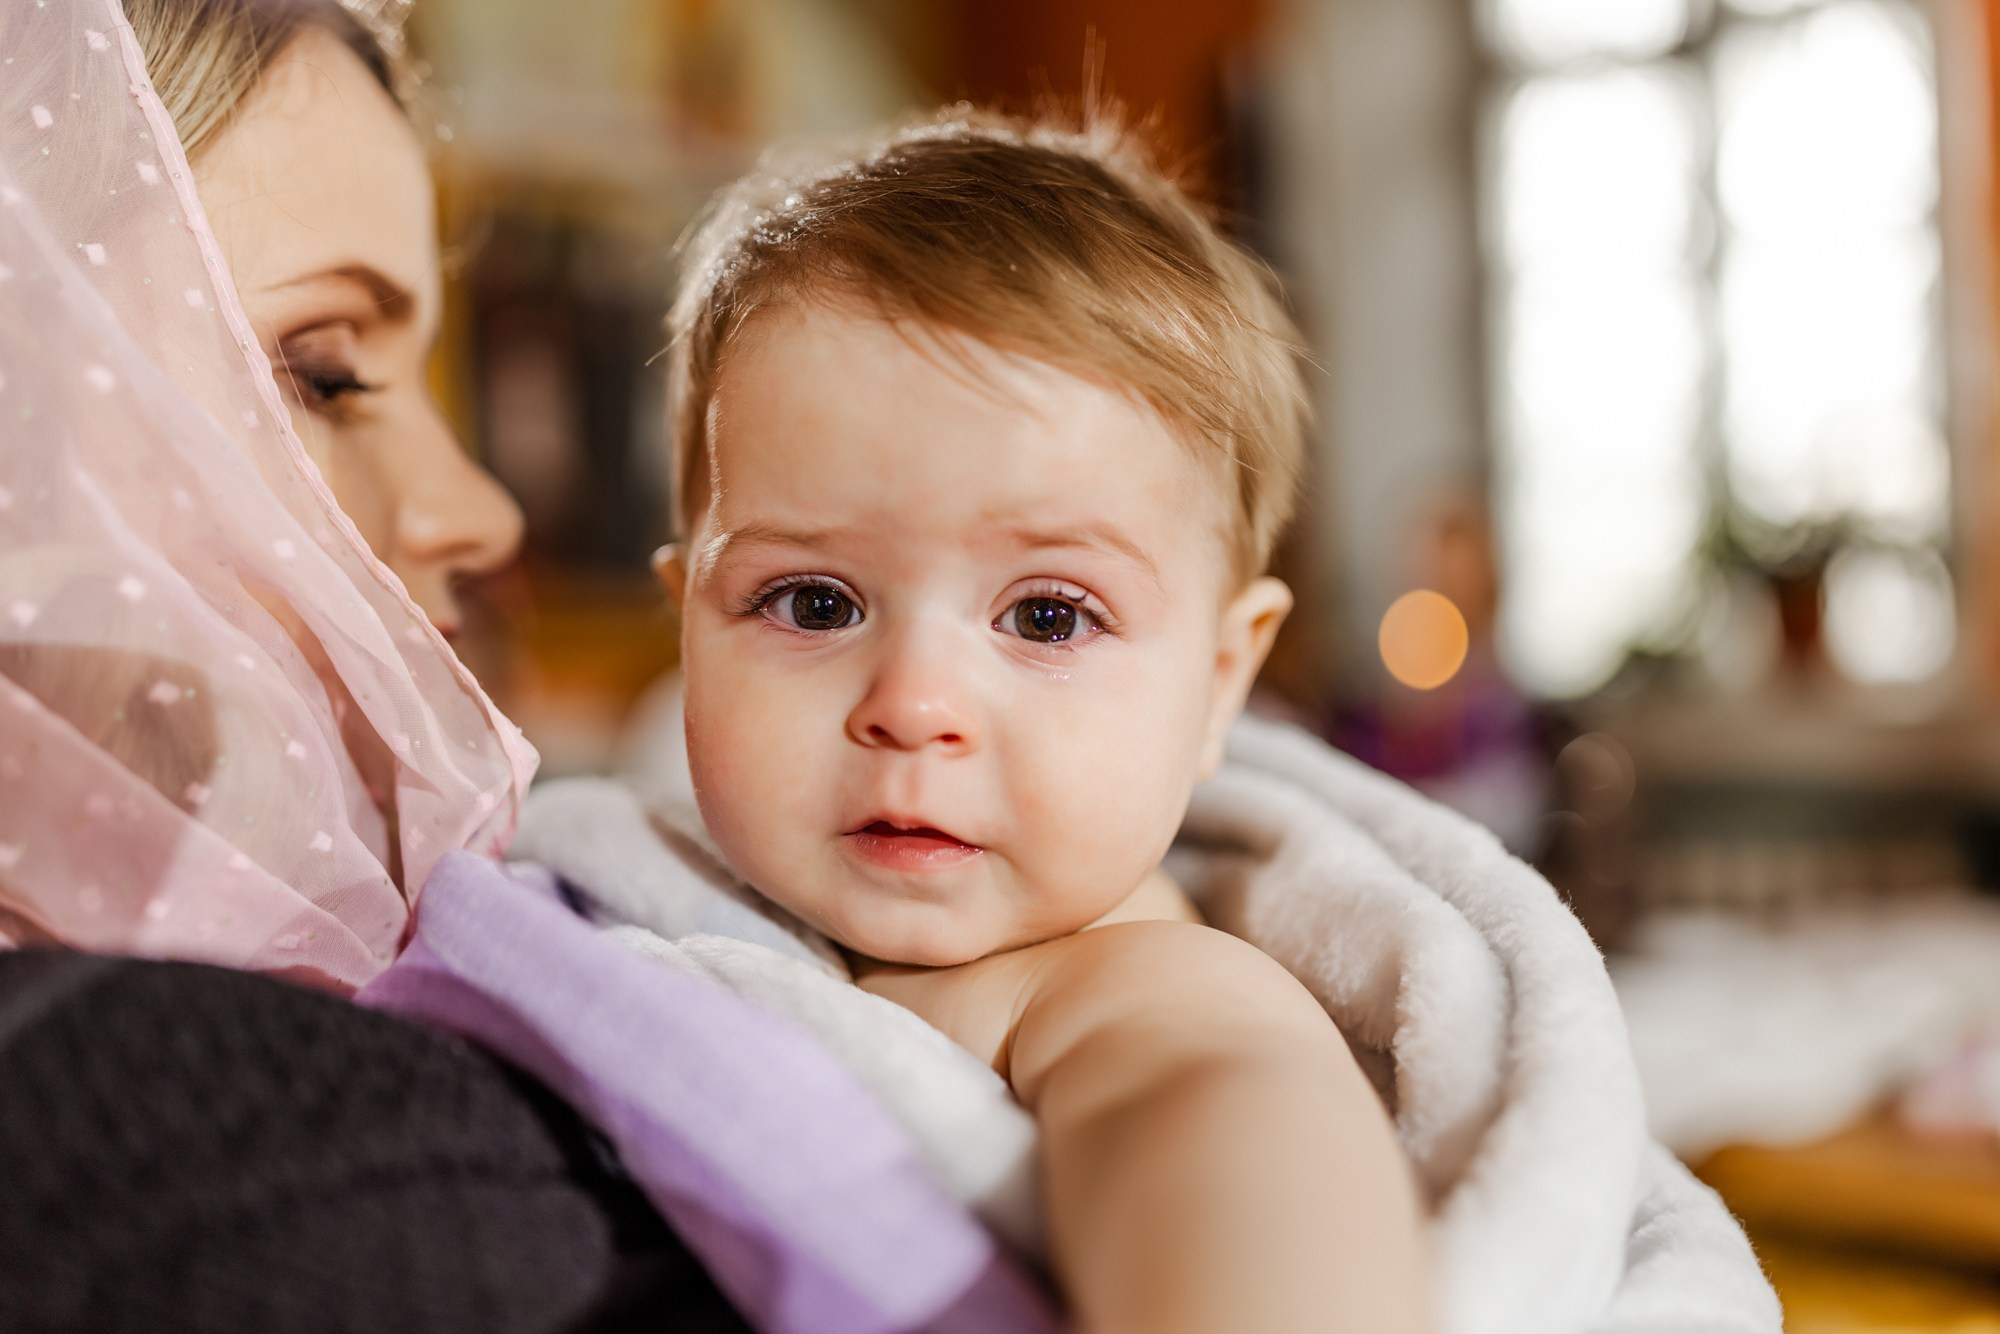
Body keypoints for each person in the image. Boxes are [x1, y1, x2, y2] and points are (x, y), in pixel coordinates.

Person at [659, 110, 1433, 1333]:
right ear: (686, 625)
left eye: (1047, 616)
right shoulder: (648, 886)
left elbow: (1226, 1116)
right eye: (813, 601)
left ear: (1218, 681)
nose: (913, 706)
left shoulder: (1139, 980)